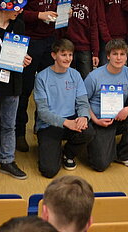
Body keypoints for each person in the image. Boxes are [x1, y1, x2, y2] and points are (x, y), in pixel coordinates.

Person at [16, 0, 61, 152]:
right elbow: (15, 11)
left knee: (45, 88)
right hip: (30, 41)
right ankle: (18, 132)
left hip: (48, 39)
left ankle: (41, 125)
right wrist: (39, 16)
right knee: (25, 89)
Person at [0, 0, 31, 179]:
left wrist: (24, 59)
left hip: (12, 82)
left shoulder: (18, 25)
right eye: (17, 8)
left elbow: (17, 52)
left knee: (9, 125)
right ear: (4, 8)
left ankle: (7, 161)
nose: (20, 11)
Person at [84, 38, 128, 171]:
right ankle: (101, 146)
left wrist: (127, 110)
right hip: (99, 120)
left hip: (119, 117)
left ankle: (123, 155)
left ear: (126, 56)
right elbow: (82, 103)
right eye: (115, 54)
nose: (119, 58)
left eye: (122, 54)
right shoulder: (94, 76)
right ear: (108, 56)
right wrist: (96, 120)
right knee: (100, 165)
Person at [34, 38, 94, 178]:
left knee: (89, 131)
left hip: (71, 120)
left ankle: (68, 154)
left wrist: (84, 117)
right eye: (63, 54)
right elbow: (42, 112)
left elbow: (83, 102)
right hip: (49, 125)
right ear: (54, 55)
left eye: (70, 55)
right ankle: (51, 151)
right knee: (49, 171)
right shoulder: (42, 77)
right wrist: (66, 123)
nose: (68, 59)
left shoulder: (75, 74)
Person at [60, 0, 99, 79]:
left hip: (84, 45)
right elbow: (58, 22)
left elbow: (93, 26)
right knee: (66, 77)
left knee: (87, 78)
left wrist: (95, 52)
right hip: (67, 43)